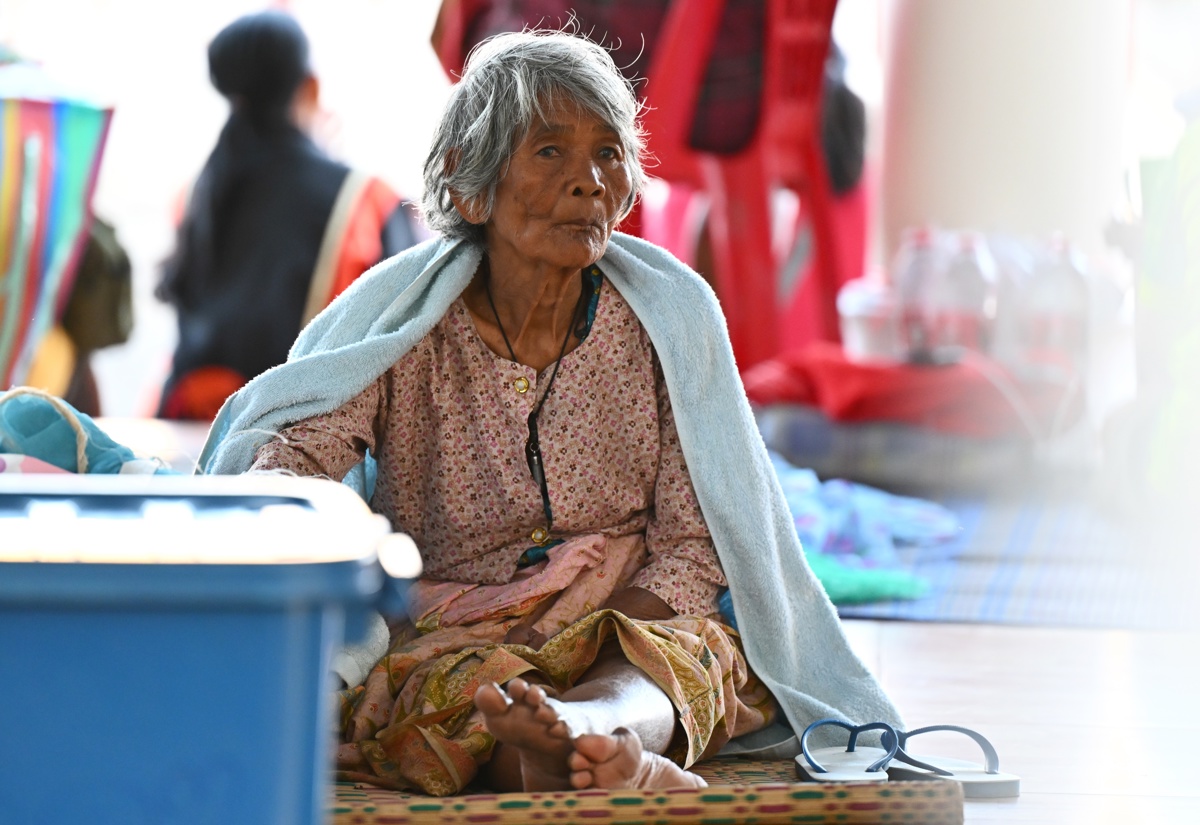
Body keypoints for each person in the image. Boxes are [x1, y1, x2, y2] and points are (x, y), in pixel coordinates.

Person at [199, 30, 899, 796]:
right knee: (439, 694)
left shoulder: (666, 322)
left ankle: (597, 729)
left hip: (632, 613)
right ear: (471, 188)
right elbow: (294, 460)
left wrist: (591, 637)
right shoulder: (410, 331)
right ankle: (573, 754)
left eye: (607, 153)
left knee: (699, 653)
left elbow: (699, 542)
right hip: (460, 630)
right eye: (550, 153)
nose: (589, 181)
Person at [155, 10, 423, 420]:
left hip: (192, 438)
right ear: (311, 87)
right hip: (298, 445)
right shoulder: (364, 200)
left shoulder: (195, 193)